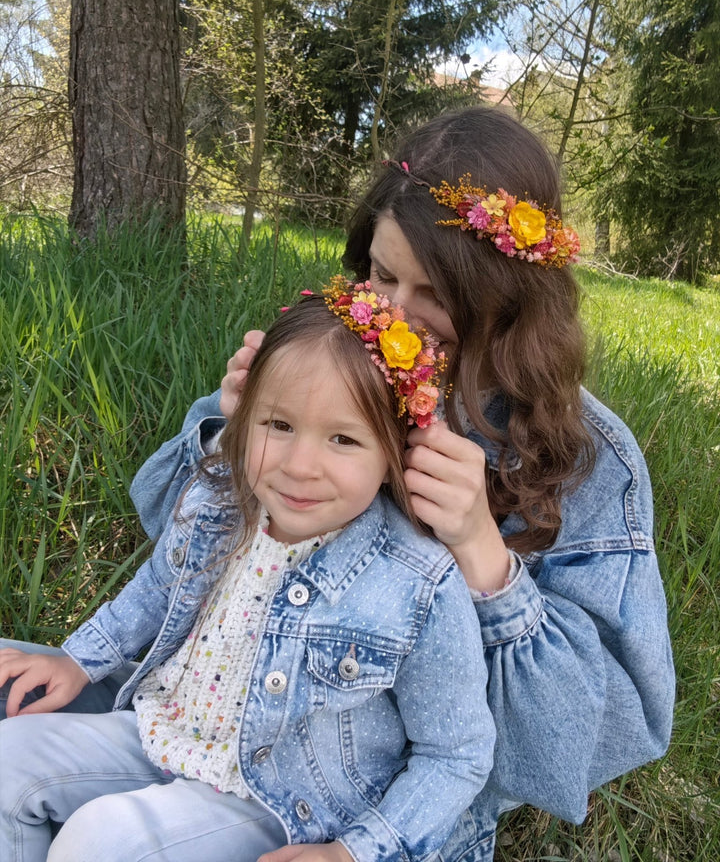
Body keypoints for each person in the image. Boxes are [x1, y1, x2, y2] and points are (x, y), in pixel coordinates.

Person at [126, 106, 675, 861]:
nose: (393, 315)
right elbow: (174, 543)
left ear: (509, 298)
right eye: (382, 273)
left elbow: (579, 747)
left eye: (438, 292)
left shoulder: (586, 457)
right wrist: (236, 432)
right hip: (224, 714)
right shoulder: (330, 366)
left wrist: (485, 556)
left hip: (389, 810)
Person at [0, 290, 494, 862]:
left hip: (280, 798)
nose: (300, 465)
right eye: (279, 424)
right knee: (9, 762)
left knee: (105, 840)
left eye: (343, 439)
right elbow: (158, 590)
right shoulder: (219, 500)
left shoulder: (416, 582)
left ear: (393, 452)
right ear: (245, 414)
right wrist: (79, 658)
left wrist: (356, 851)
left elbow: (456, 755)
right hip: (169, 730)